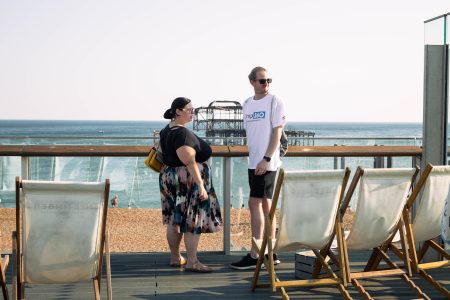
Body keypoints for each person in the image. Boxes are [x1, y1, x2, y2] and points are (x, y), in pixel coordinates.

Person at [231, 66, 286, 270]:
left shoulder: (275, 101)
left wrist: (266, 158)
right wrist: (255, 159)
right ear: (252, 82)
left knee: (255, 204)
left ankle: (256, 254)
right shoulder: (247, 104)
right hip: (253, 161)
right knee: (265, 205)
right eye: (262, 81)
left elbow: (277, 133)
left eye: (268, 80)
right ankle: (270, 253)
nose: (266, 84)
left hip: (266, 162)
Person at [159, 97, 222, 273]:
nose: (192, 112)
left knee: (174, 218)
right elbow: (189, 160)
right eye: (189, 109)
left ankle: (175, 257)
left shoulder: (166, 130)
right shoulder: (181, 133)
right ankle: (192, 261)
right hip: (188, 178)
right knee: (193, 219)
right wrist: (201, 185)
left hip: (169, 176)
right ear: (178, 111)